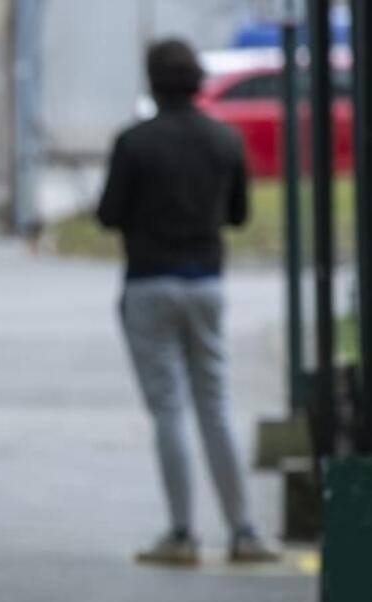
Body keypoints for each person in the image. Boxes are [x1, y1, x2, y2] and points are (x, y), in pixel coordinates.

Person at [97, 38, 278, 565]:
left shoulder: (134, 143)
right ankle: (244, 531)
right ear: (198, 81)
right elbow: (239, 215)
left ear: (152, 83)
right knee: (215, 405)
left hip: (149, 282)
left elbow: (110, 214)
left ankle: (181, 534)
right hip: (207, 283)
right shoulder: (225, 139)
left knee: (170, 410)